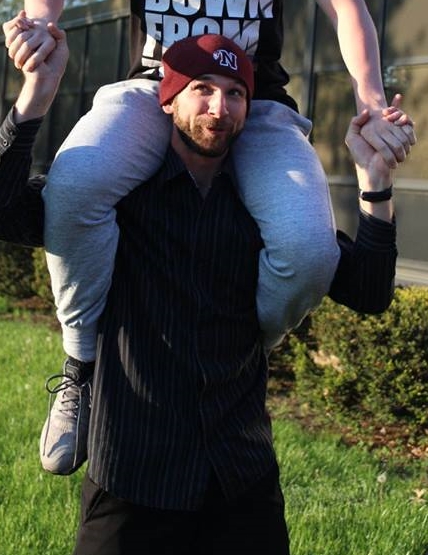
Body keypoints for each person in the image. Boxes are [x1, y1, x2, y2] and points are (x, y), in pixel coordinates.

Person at [0, 31, 408, 555]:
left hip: (240, 478)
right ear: (167, 101)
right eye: (202, 88)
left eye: (235, 93)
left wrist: (374, 179)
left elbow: (369, 291)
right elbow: (6, 210)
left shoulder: (269, 213)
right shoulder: (113, 200)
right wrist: (36, 95)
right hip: (131, 475)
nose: (220, 107)